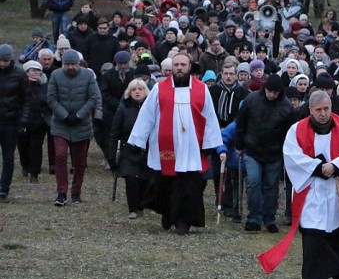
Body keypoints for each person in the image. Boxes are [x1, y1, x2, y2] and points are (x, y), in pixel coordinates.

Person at [280, 91, 339, 279]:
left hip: (336, 188)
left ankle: (333, 273)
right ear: (310, 110)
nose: (323, 114)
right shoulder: (297, 130)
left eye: (326, 109)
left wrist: (335, 166)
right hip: (310, 189)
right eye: (318, 110)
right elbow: (291, 156)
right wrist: (318, 168)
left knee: (334, 231)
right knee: (314, 234)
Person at [128, 53, 225, 235]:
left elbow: (210, 117)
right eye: (176, 65)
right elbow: (147, 116)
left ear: (190, 67)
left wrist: (210, 143)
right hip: (166, 145)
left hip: (191, 147)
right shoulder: (159, 88)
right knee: (166, 183)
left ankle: (185, 221)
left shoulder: (202, 89)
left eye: (183, 64)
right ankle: (168, 215)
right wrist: (137, 140)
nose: (179, 68)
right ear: (172, 67)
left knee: (190, 185)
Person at [235, 74, 295, 232]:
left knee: (271, 187)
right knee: (253, 182)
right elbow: (240, 123)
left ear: (280, 92)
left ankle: (269, 218)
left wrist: (286, 152)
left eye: (275, 93)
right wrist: (239, 145)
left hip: (274, 153)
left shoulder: (287, 106)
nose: (271, 95)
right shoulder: (251, 100)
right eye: (269, 91)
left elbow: (290, 133)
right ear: (265, 89)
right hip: (252, 149)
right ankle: (254, 217)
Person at [47, 49, 100, 206]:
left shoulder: (88, 75)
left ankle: (76, 192)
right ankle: (61, 192)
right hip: (61, 124)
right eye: (67, 64)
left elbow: (93, 97)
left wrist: (79, 115)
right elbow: (51, 98)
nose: (70, 67)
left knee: (80, 161)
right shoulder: (56, 75)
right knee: (60, 155)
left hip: (81, 124)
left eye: (73, 64)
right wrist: (64, 115)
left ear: (78, 64)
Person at [108, 79, 152, 219]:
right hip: (128, 150)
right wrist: (112, 153)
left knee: (145, 180)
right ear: (129, 92)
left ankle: (141, 206)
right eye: (134, 89)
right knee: (131, 179)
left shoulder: (152, 109)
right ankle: (133, 208)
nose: (137, 92)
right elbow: (115, 132)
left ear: (146, 91)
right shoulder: (123, 108)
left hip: (147, 150)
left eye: (140, 89)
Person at [0, 44, 26, 202]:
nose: (2, 63)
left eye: (5, 60)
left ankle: (3, 189)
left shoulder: (20, 75)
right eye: (0, 60)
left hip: (11, 122)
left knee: (8, 157)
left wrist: (21, 119)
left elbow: (27, 99)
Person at [18, 61, 51, 184]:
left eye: (38, 70)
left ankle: (34, 173)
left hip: (39, 122)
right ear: (27, 72)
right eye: (33, 70)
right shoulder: (20, 85)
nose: (36, 72)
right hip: (23, 121)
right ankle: (25, 166)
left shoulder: (45, 85)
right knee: (23, 146)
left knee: (36, 148)